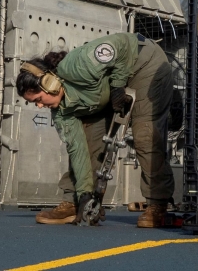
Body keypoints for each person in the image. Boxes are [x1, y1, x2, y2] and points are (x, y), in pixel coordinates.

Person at [15, 33, 174, 228]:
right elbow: (78, 150)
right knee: (88, 138)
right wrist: (85, 194)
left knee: (145, 135)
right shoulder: (61, 112)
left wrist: (117, 86)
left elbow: (121, 45)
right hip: (103, 94)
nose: (39, 106)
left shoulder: (78, 64)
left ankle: (157, 204)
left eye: (38, 99)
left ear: (50, 84)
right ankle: (76, 202)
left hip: (143, 65)